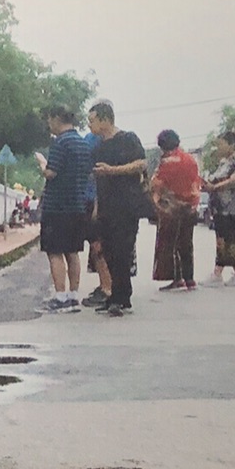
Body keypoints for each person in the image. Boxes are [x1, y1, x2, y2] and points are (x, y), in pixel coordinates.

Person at [86, 101, 149, 317]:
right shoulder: (98, 148)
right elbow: (97, 180)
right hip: (106, 205)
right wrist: (96, 206)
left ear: (105, 119)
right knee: (108, 251)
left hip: (126, 204)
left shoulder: (128, 139)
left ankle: (123, 297)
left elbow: (141, 164)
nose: (90, 125)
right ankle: (114, 295)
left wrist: (114, 170)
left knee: (123, 250)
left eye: (92, 121)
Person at [37, 105, 92, 311]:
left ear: (57, 118)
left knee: (55, 251)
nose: (49, 124)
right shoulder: (83, 143)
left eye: (50, 120)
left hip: (57, 206)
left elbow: (51, 173)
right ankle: (73, 295)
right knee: (72, 252)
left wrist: (42, 164)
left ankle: (60, 297)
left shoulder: (60, 143)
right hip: (77, 204)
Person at [150, 129, 201, 291]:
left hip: (171, 208)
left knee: (169, 245)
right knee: (186, 243)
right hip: (190, 206)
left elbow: (156, 184)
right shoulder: (190, 159)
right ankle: (190, 279)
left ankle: (176, 278)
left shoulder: (167, 162)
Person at [202, 130, 235, 285]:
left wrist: (215, 187)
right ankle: (233, 272)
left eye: (221, 144)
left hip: (234, 207)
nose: (219, 148)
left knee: (231, 239)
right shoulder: (224, 162)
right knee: (223, 239)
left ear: (232, 144)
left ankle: (225, 273)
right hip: (220, 208)